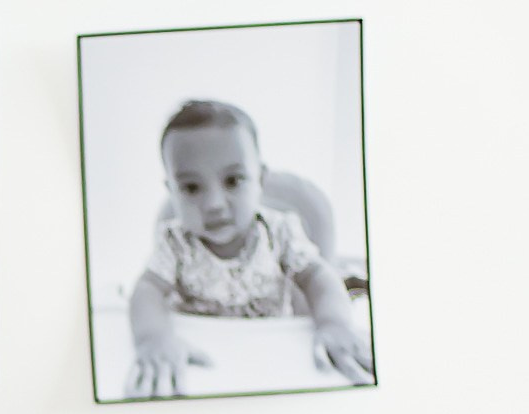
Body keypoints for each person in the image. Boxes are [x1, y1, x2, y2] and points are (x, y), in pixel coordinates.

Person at [128, 99, 372, 394]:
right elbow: (147, 290)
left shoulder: (279, 231)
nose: (213, 204)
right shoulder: (174, 242)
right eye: (191, 187)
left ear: (260, 180)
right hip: (205, 360)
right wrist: (152, 338)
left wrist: (334, 322)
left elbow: (319, 276)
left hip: (271, 356)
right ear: (172, 191)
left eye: (233, 181)